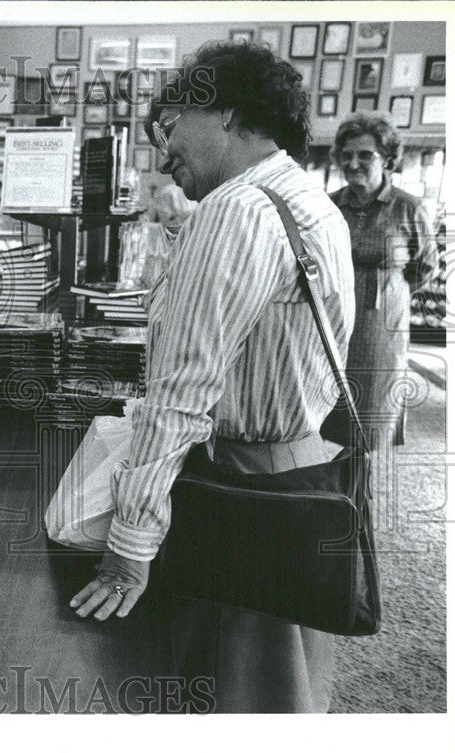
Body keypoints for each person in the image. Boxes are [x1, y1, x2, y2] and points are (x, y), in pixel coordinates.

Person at [68, 41, 355, 713]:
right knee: (283, 696)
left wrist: (130, 542)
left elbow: (180, 392)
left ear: (224, 111)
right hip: (296, 476)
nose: (164, 151)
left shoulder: (239, 209)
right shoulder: (309, 203)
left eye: (171, 127)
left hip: (238, 494)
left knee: (228, 697)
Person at [328, 113, 438, 447]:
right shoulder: (329, 206)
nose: (353, 162)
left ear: (387, 159)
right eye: (346, 155)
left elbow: (426, 265)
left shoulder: (408, 208)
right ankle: (334, 488)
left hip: (381, 324)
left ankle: (364, 486)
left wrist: (391, 288)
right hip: (334, 319)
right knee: (329, 399)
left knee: (373, 405)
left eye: (365, 155)